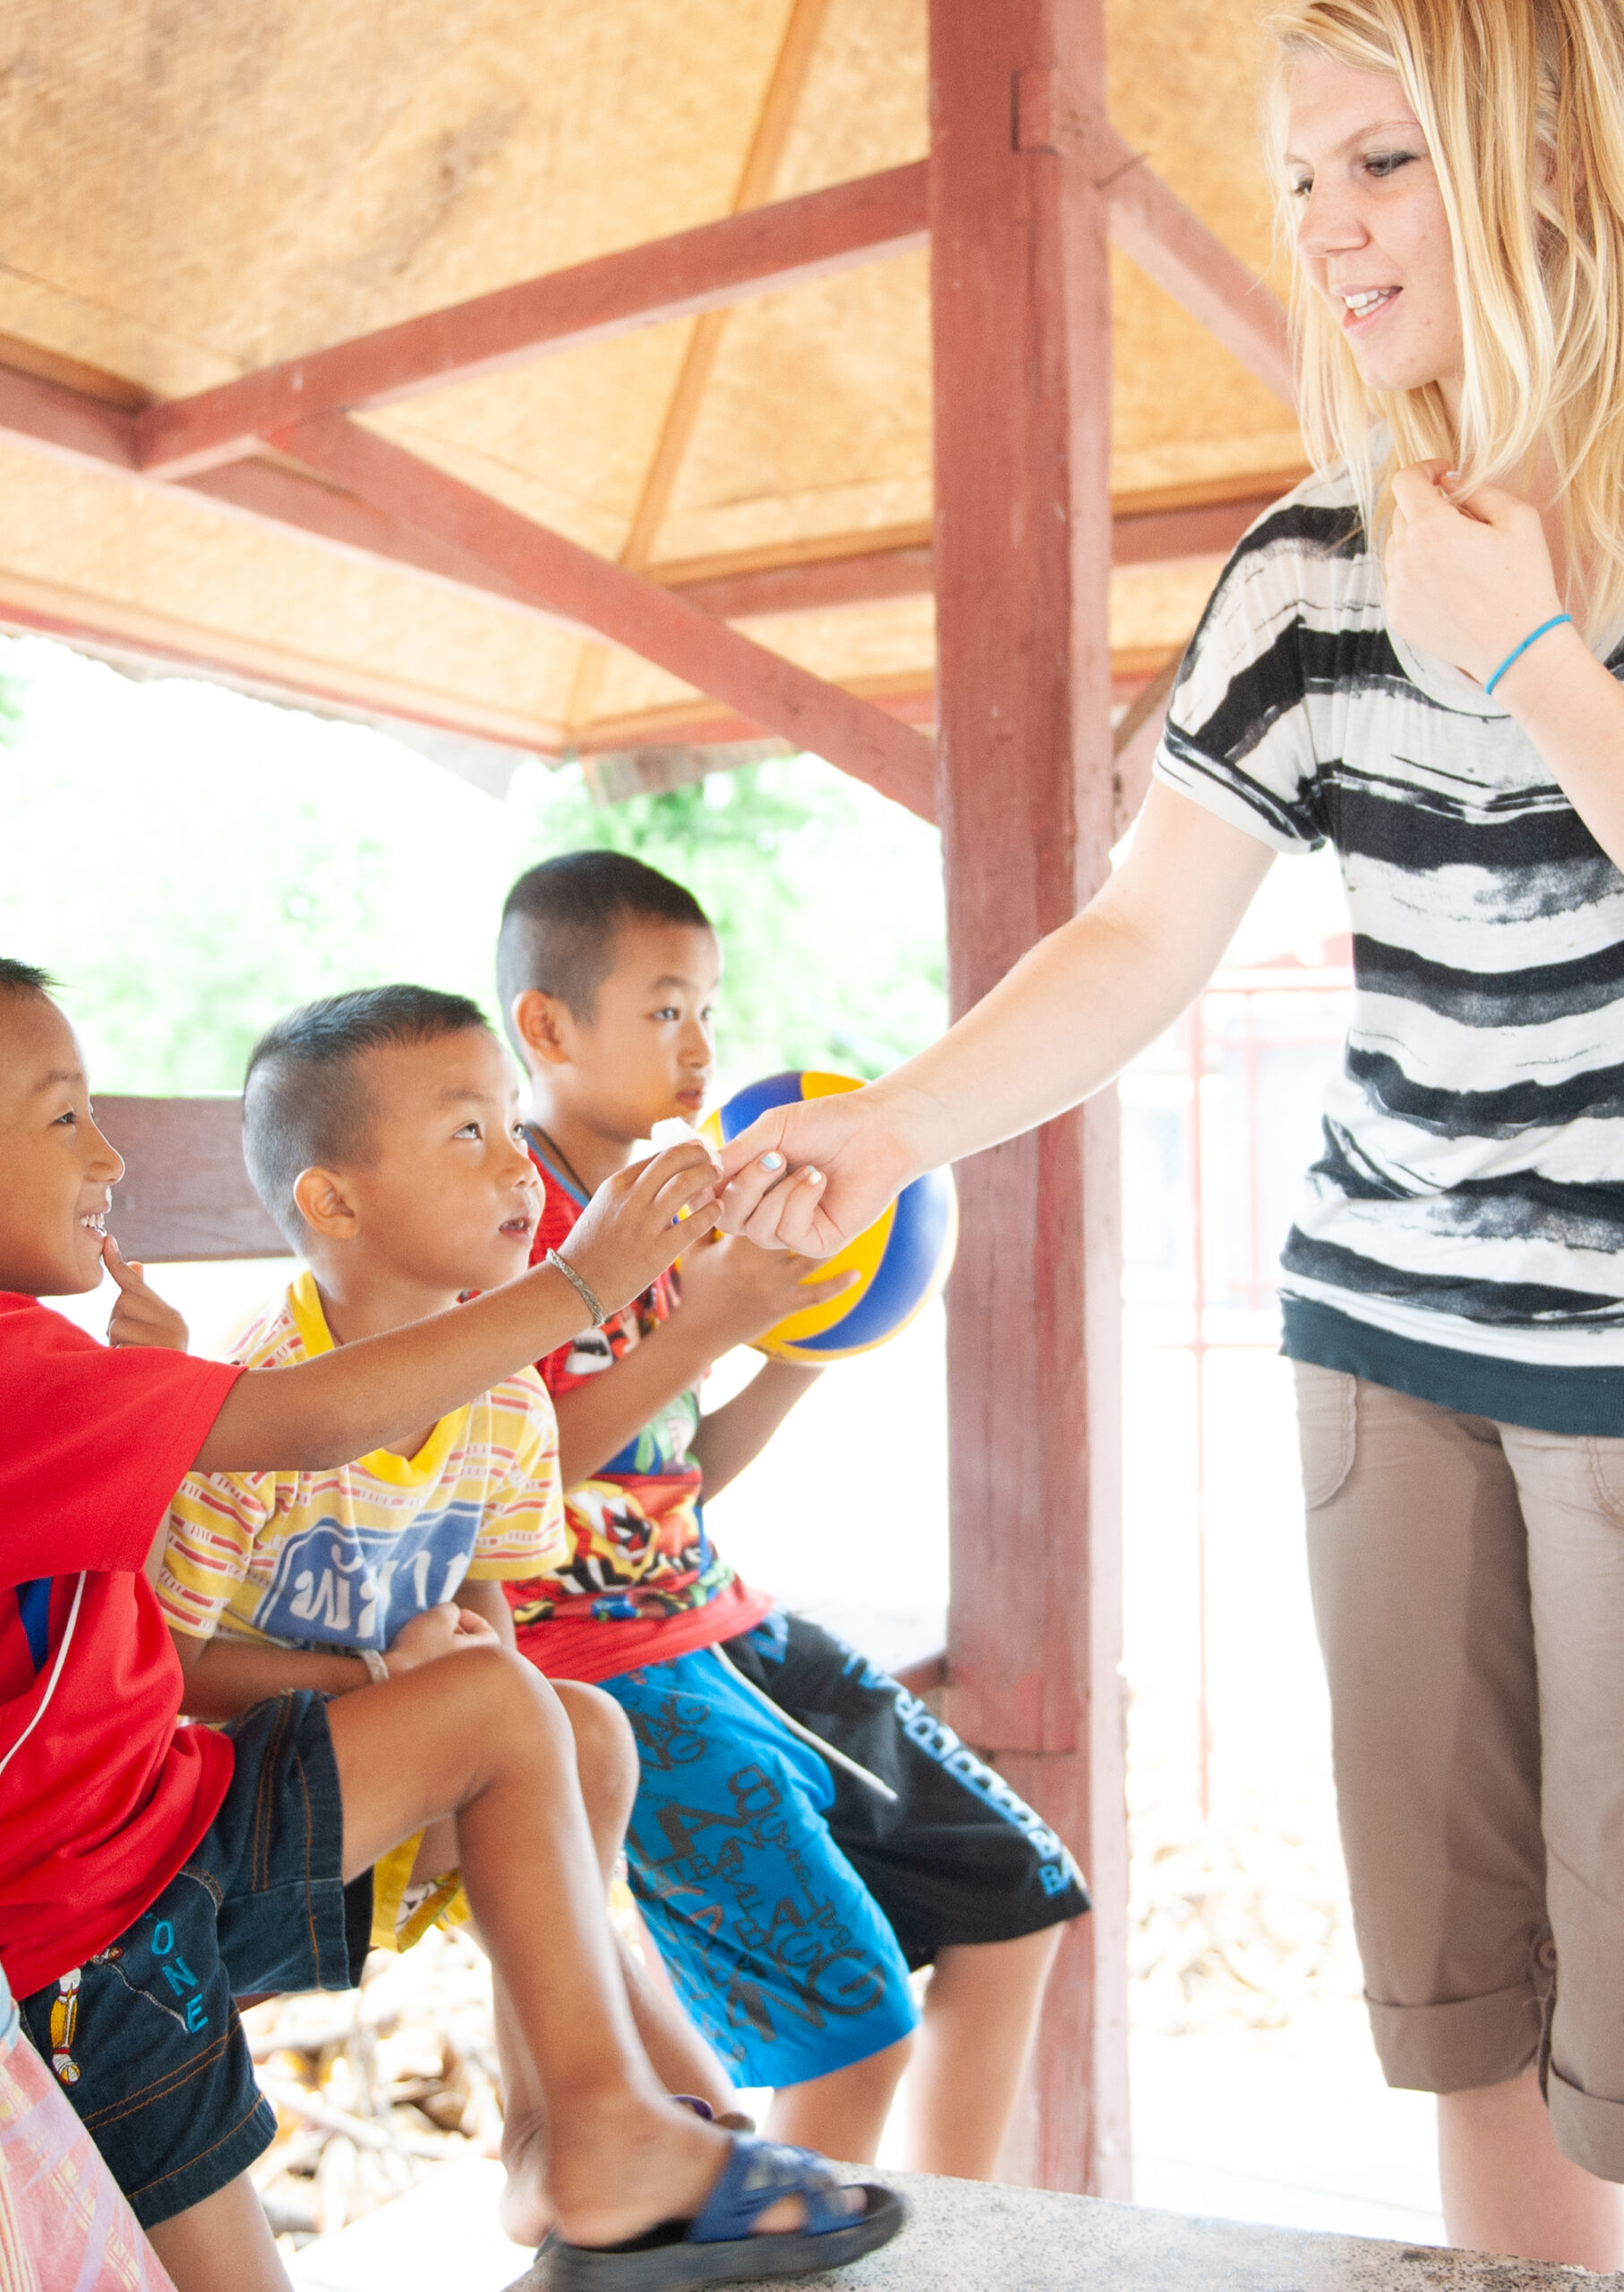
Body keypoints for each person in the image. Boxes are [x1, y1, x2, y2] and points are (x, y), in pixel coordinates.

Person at [712, 0, 1624, 2269]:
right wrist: (887, 1132)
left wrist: (1527, 660)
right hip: (1387, 1339)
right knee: (1467, 1994)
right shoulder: (1309, 572)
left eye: (1381, 163)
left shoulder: (1501, 587)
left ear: (1547, 169)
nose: (1325, 227)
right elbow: (1138, 935)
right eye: (1299, 176)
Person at [0, 959, 902, 2292]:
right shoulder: (45, 1373)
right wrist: (582, 1287)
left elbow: (467, 1601)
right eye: (63, 1114)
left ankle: (575, 2134)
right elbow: (299, 1427)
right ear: (334, 1202)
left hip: (160, 1831)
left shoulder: (60, 1361)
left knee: (539, 1716)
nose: (110, 1151)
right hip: (83, 1929)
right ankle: (603, 2132)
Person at [493, 851, 1090, 2177]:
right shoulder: (505, 1227)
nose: (700, 1045)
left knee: (1018, 1894)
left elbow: (677, 1467)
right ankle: (811, 2245)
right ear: (545, 1026)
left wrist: (799, 1340)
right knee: (854, 2026)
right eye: (662, 1009)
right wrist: (701, 1318)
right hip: (595, 1673)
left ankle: (940, 2249)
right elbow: (514, 1482)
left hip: (717, 1625)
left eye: (708, 1006)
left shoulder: (653, 1207)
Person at [152, 983, 737, 2117]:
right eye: (468, 1132)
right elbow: (167, 1674)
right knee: (545, 1732)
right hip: (240, 1819)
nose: (518, 1164)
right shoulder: (252, 1406)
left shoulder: (506, 1400)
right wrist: (380, 1681)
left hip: (411, 1780)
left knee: (591, 1735)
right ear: (333, 1199)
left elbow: (489, 1625)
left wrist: (463, 1687)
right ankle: (627, 2128)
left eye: (514, 1126)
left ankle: (563, 2124)